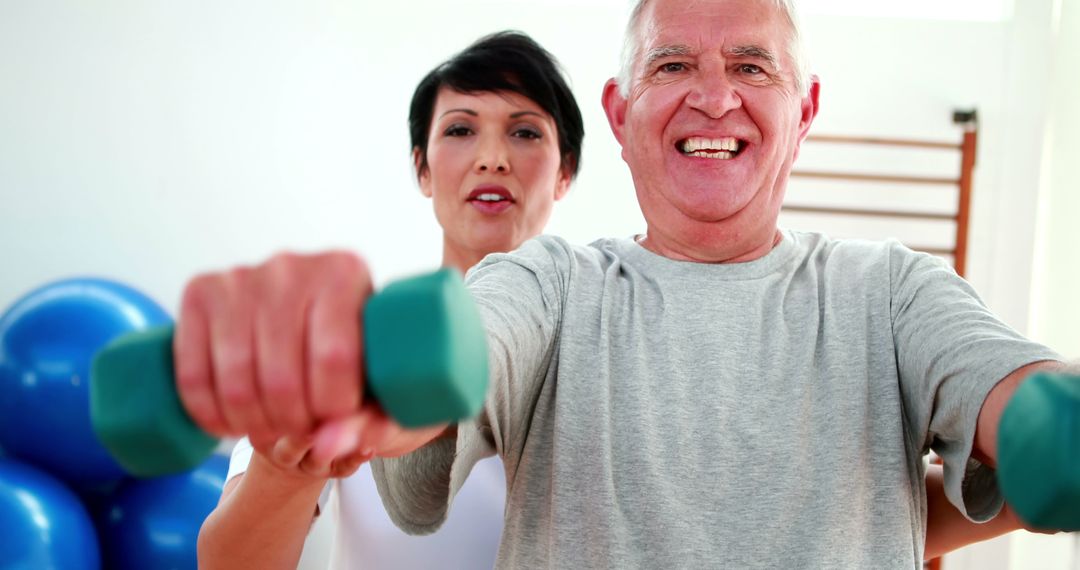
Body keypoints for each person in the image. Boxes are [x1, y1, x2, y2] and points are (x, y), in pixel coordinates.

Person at [185, 2, 1062, 568]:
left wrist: (1046, 427)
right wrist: (349, 394)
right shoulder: (545, 286)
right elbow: (468, 355)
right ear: (620, 113)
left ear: (805, 109)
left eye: (752, 66)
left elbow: (1009, 394)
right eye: (673, 66)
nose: (715, 97)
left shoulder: (894, 291)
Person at [195, 31, 583, 569]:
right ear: (422, 168)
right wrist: (284, 469)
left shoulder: (606, 346)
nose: (492, 159)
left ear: (564, 171)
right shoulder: (349, 342)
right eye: (461, 129)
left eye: (524, 132)